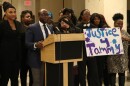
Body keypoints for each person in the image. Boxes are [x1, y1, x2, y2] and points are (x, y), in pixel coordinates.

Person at [25, 9, 53, 86]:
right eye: (44, 14)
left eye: (47, 15)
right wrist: (35, 45)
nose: (46, 16)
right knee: (37, 82)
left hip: (48, 59)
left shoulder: (50, 27)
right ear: (39, 16)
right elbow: (27, 43)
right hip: (36, 59)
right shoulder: (32, 27)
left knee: (45, 81)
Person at [0, 1, 23, 86]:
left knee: (15, 79)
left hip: (16, 57)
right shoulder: (2, 25)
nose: (13, 14)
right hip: (5, 58)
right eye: (10, 12)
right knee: (4, 79)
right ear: (5, 13)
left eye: (14, 12)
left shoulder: (18, 24)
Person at [107, 13, 130, 86]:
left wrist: (125, 38)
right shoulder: (110, 32)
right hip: (112, 57)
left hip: (122, 57)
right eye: (118, 24)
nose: (120, 25)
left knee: (122, 73)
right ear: (114, 23)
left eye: (121, 24)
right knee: (112, 73)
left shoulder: (124, 32)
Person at [76, 9, 91, 86]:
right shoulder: (77, 27)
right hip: (82, 52)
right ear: (82, 16)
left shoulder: (93, 26)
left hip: (92, 52)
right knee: (82, 71)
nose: (88, 16)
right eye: (86, 14)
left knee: (92, 71)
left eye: (89, 14)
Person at [20, 10, 33, 86]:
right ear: (22, 18)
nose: (29, 18)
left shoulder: (33, 27)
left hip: (32, 55)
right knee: (23, 76)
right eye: (27, 17)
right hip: (23, 56)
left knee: (32, 77)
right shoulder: (20, 28)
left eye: (30, 17)